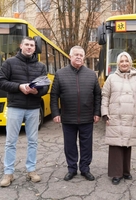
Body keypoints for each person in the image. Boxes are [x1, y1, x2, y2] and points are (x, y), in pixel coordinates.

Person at [0, 37, 49, 187]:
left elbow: (45, 87)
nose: (29, 47)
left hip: (33, 108)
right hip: (15, 107)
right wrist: (19, 87)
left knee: (33, 141)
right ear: (21, 46)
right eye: (27, 45)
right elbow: (0, 81)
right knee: (11, 141)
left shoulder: (40, 66)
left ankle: (31, 170)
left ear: (34, 48)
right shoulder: (10, 63)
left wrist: (35, 91)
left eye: (32, 45)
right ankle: (8, 173)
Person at [50, 45, 101, 181]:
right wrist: (55, 113)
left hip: (87, 117)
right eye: (76, 54)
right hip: (68, 117)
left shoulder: (91, 74)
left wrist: (97, 112)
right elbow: (54, 95)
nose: (78, 57)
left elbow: (97, 95)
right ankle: (72, 169)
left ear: (84, 57)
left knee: (86, 145)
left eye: (81, 55)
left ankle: (85, 169)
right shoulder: (60, 74)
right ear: (70, 57)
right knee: (70, 145)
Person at [101, 52, 136, 185]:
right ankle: (116, 173)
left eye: (126, 61)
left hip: (132, 116)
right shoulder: (111, 78)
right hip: (115, 116)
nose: (124, 63)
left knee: (127, 144)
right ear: (118, 63)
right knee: (116, 145)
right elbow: (105, 96)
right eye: (121, 61)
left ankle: (126, 172)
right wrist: (104, 113)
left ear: (130, 63)